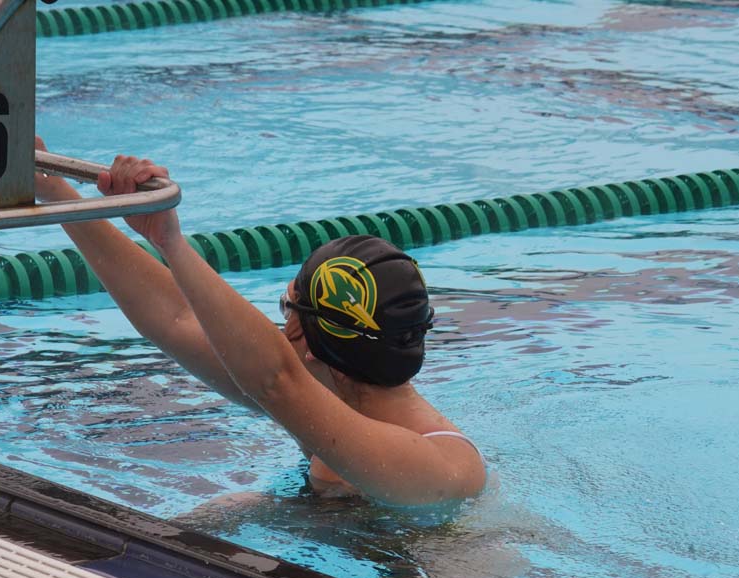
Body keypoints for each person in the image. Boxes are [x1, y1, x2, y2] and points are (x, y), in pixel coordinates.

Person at [34, 140, 485, 506]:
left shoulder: (437, 464)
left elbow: (275, 378)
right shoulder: (326, 398)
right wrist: (54, 188)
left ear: (303, 338)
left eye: (285, 308)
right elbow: (176, 317)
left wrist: (170, 240)